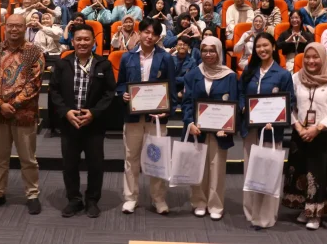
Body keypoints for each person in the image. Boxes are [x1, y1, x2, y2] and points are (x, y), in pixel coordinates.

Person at [49, 23, 116, 218]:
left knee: (96, 165)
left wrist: (93, 113)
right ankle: (74, 200)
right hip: (69, 123)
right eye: (78, 39)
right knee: (69, 164)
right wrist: (66, 112)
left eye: (87, 39)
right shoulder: (63, 64)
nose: (82, 43)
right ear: (72, 41)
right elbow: (54, 91)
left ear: (94, 41)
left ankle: (92, 200)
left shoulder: (103, 64)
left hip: (93, 124)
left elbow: (109, 93)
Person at [0, 14, 44, 215]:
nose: (14, 29)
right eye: (11, 26)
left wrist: (13, 104)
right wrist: (1, 104)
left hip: (24, 114)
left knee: (28, 159)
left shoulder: (34, 52)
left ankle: (32, 195)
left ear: (25, 28)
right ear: (5, 27)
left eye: (18, 26)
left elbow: (34, 84)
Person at [282, 43, 327, 230]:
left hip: (324, 135)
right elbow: (288, 105)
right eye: (308, 57)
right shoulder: (296, 78)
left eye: (315, 57)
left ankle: (317, 213)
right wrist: (298, 126)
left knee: (319, 175)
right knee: (302, 172)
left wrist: (317, 129)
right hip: (301, 134)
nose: (311, 61)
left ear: (323, 58)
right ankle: (306, 208)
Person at [116, 17, 177, 215]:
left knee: (157, 158)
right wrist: (123, 94)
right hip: (133, 117)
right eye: (146, 32)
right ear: (140, 33)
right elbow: (120, 84)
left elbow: (172, 89)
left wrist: (167, 110)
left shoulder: (166, 58)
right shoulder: (127, 57)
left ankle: (158, 199)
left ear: (158, 37)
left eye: (154, 34)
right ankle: (130, 198)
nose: (150, 36)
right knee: (131, 158)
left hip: (156, 118)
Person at [239, 32, 295, 229]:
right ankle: (251, 212)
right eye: (258, 46)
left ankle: (266, 216)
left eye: (265, 45)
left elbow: (290, 102)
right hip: (250, 131)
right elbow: (240, 93)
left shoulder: (283, 74)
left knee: (269, 172)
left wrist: (277, 121)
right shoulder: (250, 70)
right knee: (251, 171)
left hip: (271, 132)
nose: (262, 49)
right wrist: (243, 108)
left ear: (273, 47)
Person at [181, 37, 238, 220]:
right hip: (197, 131)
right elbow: (187, 103)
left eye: (212, 50)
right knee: (198, 167)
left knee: (217, 168)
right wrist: (189, 123)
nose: (208, 54)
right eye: (204, 50)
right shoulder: (193, 74)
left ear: (219, 52)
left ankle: (215, 204)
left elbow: (234, 103)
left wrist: (228, 127)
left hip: (220, 132)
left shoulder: (230, 76)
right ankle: (199, 202)